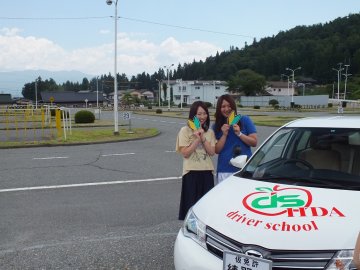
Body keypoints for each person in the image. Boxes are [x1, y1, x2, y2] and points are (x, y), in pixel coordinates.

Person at [176, 101, 216, 220]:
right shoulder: (184, 131)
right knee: (190, 206)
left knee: (206, 207)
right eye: (199, 114)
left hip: (207, 172)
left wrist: (202, 136)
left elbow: (212, 152)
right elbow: (185, 153)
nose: (202, 117)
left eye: (204, 114)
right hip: (191, 173)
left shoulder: (210, 132)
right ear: (193, 115)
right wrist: (197, 139)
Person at [213, 94, 257, 185]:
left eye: (229, 106)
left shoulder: (244, 120)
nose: (226, 109)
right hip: (225, 169)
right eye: (223, 106)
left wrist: (239, 134)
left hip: (244, 169)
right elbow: (217, 150)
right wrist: (224, 135)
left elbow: (254, 142)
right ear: (219, 108)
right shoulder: (216, 125)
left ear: (233, 107)